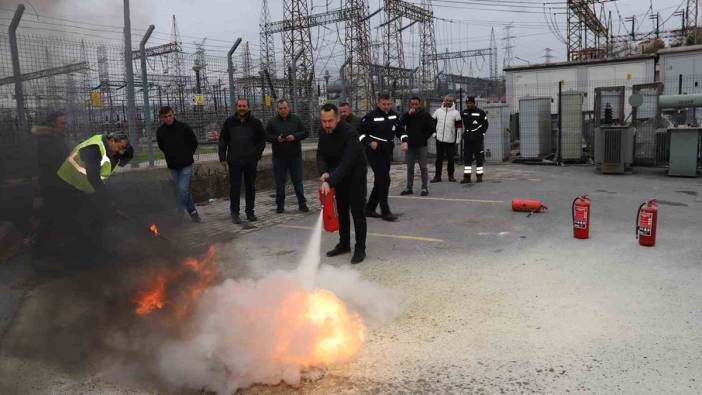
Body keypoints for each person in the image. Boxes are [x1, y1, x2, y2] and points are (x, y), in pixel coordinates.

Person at [55, 131, 133, 255]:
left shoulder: (111, 149)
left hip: (84, 187)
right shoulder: (94, 149)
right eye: (120, 148)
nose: (121, 152)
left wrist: (106, 200)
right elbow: (93, 178)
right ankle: (78, 252)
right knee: (79, 219)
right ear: (112, 140)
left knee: (96, 216)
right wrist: (107, 200)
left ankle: (92, 248)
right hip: (67, 184)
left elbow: (100, 177)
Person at [317, 103, 367, 264]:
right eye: (324, 121)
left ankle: (360, 248)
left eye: (330, 121)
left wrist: (330, 181)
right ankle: (344, 244)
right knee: (342, 212)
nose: (327, 125)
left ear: (338, 118)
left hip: (355, 176)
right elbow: (321, 154)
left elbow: (347, 163)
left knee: (357, 213)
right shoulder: (323, 132)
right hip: (338, 177)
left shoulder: (350, 133)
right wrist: (324, 171)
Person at [218, 98, 266, 224]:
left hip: (250, 161)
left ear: (248, 107)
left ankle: (250, 212)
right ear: (236, 107)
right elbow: (223, 140)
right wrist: (222, 156)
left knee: (250, 187)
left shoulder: (255, 123)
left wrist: (257, 155)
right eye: (240, 106)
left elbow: (262, 140)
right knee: (235, 188)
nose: (242, 108)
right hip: (234, 161)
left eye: (244, 106)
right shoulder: (229, 122)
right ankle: (235, 213)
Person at [31, 111, 69, 258]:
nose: (65, 126)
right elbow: (58, 162)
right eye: (62, 123)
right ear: (53, 124)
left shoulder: (56, 138)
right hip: (52, 184)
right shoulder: (48, 140)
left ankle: (50, 248)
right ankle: (39, 251)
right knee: (50, 215)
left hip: (59, 182)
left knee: (57, 215)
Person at [156, 106, 201, 223]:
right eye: (165, 117)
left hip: (186, 164)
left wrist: (186, 154)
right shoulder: (160, 131)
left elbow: (194, 142)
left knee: (182, 189)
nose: (168, 118)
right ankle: (193, 212)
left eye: (170, 115)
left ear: (173, 114)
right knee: (184, 190)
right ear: (162, 118)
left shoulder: (184, 127)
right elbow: (162, 146)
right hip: (173, 166)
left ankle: (178, 215)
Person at [359, 93, 399, 221]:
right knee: (385, 179)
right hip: (374, 152)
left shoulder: (394, 115)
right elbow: (359, 133)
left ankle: (369, 208)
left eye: (388, 104)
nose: (386, 107)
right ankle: (385, 211)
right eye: (384, 104)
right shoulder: (371, 116)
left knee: (380, 180)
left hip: (387, 151)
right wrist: (370, 142)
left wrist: (405, 140)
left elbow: (399, 130)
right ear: (378, 103)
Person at [265, 99, 309, 213]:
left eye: (285, 108)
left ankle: (302, 203)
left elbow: (305, 132)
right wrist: (276, 138)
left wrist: (294, 136)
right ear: (277, 109)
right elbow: (266, 135)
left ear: (289, 108)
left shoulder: (296, 119)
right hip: (279, 158)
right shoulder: (272, 121)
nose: (283, 110)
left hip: (295, 157)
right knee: (280, 183)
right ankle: (280, 205)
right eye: (280, 108)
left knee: (298, 182)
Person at [399, 96, 434, 196]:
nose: (414, 106)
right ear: (410, 104)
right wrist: (407, 114)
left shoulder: (425, 115)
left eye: (416, 104)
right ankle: (409, 188)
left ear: (420, 104)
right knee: (410, 167)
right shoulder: (408, 115)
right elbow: (400, 124)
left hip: (421, 145)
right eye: (412, 104)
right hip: (410, 145)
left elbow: (432, 128)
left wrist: (424, 138)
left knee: (423, 167)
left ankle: (424, 188)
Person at [431, 95, 462, 182]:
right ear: (444, 101)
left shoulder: (456, 113)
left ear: (453, 102)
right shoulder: (438, 111)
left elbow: (459, 127)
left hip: (450, 139)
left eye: (450, 101)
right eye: (447, 100)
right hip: (439, 139)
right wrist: (434, 133)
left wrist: (458, 139)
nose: (448, 102)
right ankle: (437, 176)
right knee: (439, 159)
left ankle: (451, 176)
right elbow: (431, 123)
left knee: (450, 159)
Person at [460, 97, 489, 183]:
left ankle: (479, 176)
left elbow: (486, 124)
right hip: (467, 139)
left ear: (474, 103)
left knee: (479, 157)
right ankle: (467, 177)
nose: (469, 104)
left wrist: (482, 134)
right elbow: (457, 120)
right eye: (468, 103)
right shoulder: (464, 112)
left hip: (477, 139)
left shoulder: (480, 112)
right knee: (467, 158)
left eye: (471, 103)